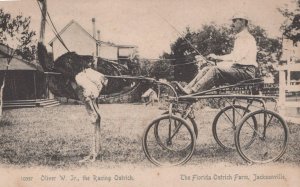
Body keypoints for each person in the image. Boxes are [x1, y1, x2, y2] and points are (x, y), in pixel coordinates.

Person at [176, 13, 258, 95]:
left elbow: (236, 57)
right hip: (240, 70)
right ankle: (187, 89)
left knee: (215, 70)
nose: (232, 24)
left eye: (234, 21)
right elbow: (237, 60)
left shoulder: (246, 37)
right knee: (207, 69)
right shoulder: (241, 37)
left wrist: (217, 58)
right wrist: (217, 62)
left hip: (246, 72)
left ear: (243, 22)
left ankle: (193, 92)